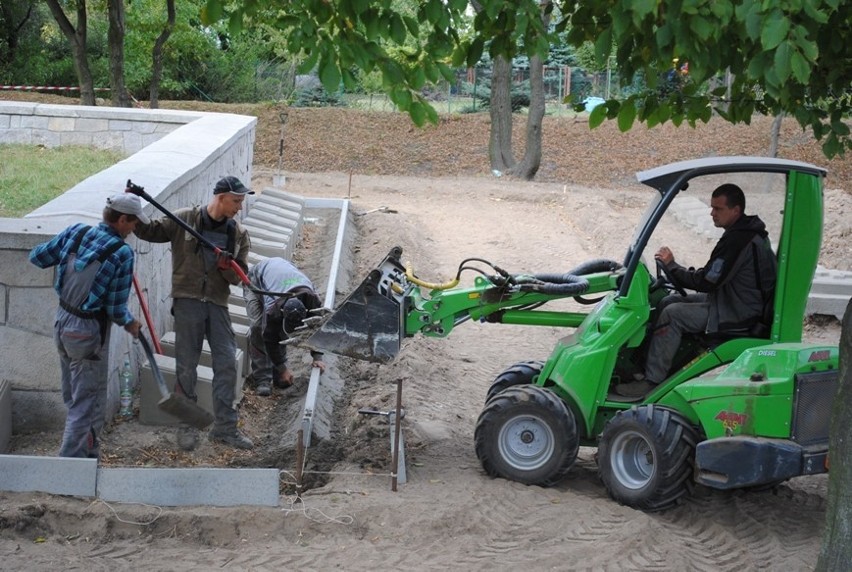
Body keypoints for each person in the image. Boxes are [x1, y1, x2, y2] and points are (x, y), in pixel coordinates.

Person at [615, 183, 777, 398]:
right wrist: (676, 269)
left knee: (673, 315)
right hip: (732, 301)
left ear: (736, 210)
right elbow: (712, 276)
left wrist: (673, 267)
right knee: (667, 301)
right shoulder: (742, 233)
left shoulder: (739, 240)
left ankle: (652, 381)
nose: (712, 213)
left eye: (718, 209)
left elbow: (707, 281)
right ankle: (645, 366)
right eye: (712, 208)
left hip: (740, 313)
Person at [134, 176, 255, 450]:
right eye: (236, 201)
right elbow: (149, 231)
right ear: (221, 196)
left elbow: (239, 276)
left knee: (226, 363)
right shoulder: (184, 220)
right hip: (187, 302)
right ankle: (187, 426)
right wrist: (133, 205)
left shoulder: (238, 234)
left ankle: (225, 428)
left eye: (241, 202)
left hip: (217, 304)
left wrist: (226, 266)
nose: (239, 207)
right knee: (185, 367)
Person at [29, 193, 146, 458]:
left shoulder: (76, 232)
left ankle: (89, 452)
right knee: (84, 404)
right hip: (86, 332)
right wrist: (131, 324)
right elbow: (116, 309)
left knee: (74, 397)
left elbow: (37, 257)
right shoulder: (121, 253)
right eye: (133, 223)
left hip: (61, 323)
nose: (135, 229)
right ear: (122, 220)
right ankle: (70, 468)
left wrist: (65, 257)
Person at [244, 257, 325, 397]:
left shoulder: (313, 301)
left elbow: (317, 328)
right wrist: (283, 368)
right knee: (258, 328)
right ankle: (262, 379)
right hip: (254, 281)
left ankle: (278, 375)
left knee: (280, 332)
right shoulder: (274, 310)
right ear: (282, 312)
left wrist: (317, 357)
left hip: (281, 276)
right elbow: (270, 339)